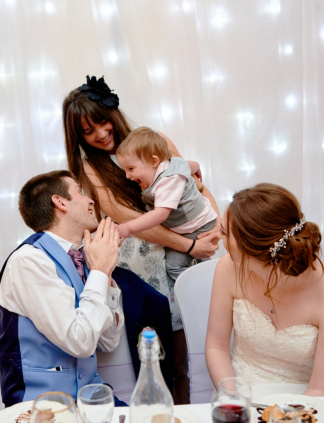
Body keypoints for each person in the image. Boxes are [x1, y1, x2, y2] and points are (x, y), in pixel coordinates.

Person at [62, 75, 220, 404]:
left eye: (101, 123)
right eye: (87, 132)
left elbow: (193, 188)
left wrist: (214, 228)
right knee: (160, 360)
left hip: (190, 248)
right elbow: (129, 219)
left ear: (112, 113)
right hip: (145, 265)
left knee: (197, 349)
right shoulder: (90, 169)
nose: (99, 135)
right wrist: (189, 246)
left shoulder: (154, 141)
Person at [0, 171, 175, 407]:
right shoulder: (28, 261)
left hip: (91, 399)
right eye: (80, 192)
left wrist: (104, 273)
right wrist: (99, 270)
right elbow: (80, 342)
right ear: (60, 201)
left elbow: (108, 342)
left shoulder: (83, 259)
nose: (91, 201)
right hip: (41, 407)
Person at [205, 184, 324, 396]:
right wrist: (232, 400)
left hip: (304, 407)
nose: (220, 238)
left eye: (225, 233)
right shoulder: (228, 268)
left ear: (249, 249)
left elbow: (320, 389)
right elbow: (216, 347)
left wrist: (282, 422)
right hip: (239, 395)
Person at [114, 126, 217, 285]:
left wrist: (128, 228)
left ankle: (199, 291)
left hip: (197, 227)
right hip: (194, 224)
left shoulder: (167, 182)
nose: (127, 176)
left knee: (176, 266)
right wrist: (197, 169)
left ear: (154, 161)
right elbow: (191, 164)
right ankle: (207, 281)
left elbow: (160, 214)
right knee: (197, 261)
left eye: (131, 169)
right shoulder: (173, 164)